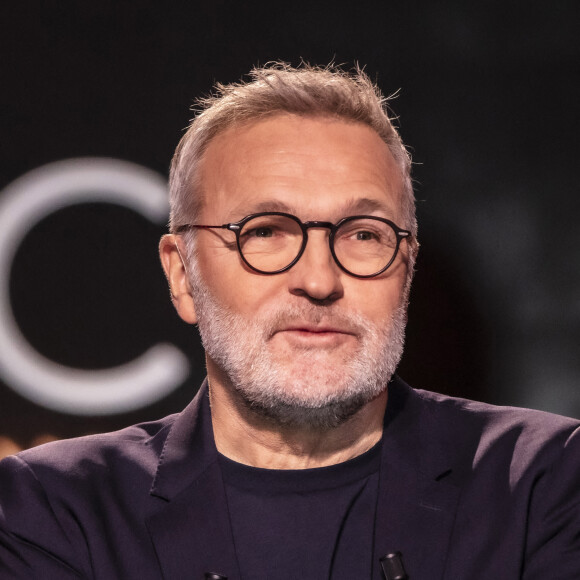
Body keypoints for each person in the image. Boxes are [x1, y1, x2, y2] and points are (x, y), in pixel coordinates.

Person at [0, 62, 579, 580]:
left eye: (362, 235)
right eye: (267, 233)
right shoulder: (56, 509)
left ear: (406, 267)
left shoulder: (542, 484)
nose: (320, 281)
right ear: (182, 276)